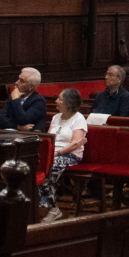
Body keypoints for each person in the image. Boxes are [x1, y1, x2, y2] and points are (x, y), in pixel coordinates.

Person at [40, 89, 89, 222]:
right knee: (35, 166)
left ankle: (52, 209)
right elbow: (49, 138)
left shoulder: (79, 118)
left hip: (71, 155)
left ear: (69, 102)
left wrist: (56, 153)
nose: (56, 101)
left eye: (60, 99)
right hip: (53, 154)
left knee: (50, 169)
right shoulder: (56, 117)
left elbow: (75, 144)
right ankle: (52, 207)